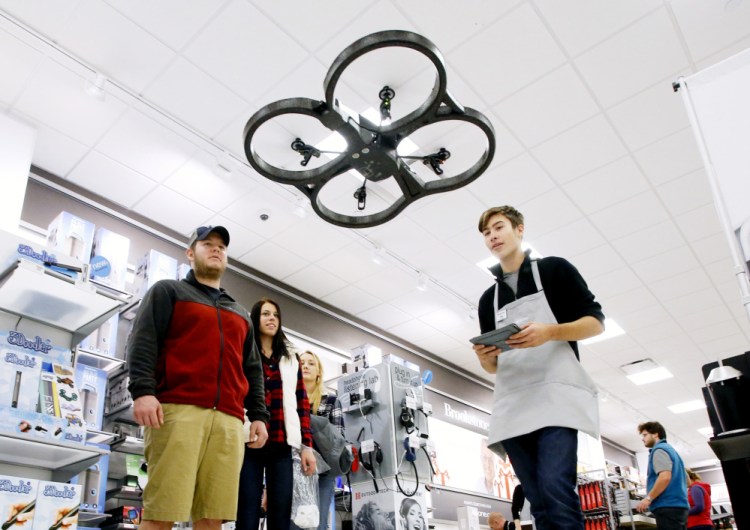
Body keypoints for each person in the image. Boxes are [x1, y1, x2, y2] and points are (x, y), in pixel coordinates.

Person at [127, 226, 269, 530]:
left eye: (221, 246)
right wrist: (142, 391)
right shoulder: (168, 292)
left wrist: (258, 415)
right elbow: (142, 341)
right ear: (191, 253)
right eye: (208, 244)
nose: (216, 249)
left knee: (212, 516)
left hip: (230, 422)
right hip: (178, 412)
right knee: (161, 511)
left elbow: (252, 369)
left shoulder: (241, 314)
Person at [472, 206, 605, 530]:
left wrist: (550, 332)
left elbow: (596, 323)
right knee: (538, 502)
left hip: (556, 399)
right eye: (487, 232)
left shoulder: (554, 271)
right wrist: (485, 357)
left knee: (556, 490)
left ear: (519, 229)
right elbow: (494, 367)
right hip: (514, 405)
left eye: (498, 227)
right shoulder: (488, 299)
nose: (492, 236)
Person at [237, 297, 316, 530]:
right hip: (249, 441)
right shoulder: (244, 352)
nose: (272, 318)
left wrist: (306, 446)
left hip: (282, 443)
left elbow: (302, 403)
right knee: (247, 510)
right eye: (265, 314)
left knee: (280, 513)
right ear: (255, 318)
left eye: (275, 315)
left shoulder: (291, 358)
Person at [297, 350, 344, 530]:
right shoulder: (288, 401)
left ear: (318, 372)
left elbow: (338, 440)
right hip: (293, 471)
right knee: (292, 523)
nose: (306, 366)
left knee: (318, 524)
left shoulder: (331, 401)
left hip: (322, 475)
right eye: (302, 363)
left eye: (311, 363)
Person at [636, 421, 689, 530]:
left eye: (645, 435)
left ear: (655, 434)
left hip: (667, 505)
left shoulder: (659, 450)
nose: (643, 438)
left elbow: (665, 477)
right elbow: (687, 480)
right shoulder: (671, 451)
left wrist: (648, 499)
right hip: (678, 506)